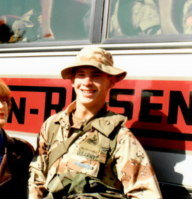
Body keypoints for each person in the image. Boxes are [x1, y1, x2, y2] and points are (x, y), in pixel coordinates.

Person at [28, 47, 162, 199]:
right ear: (72, 80)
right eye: (81, 75)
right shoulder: (53, 124)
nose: (87, 82)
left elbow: (146, 194)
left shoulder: (119, 137)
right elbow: (36, 177)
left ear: (111, 81)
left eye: (96, 76)